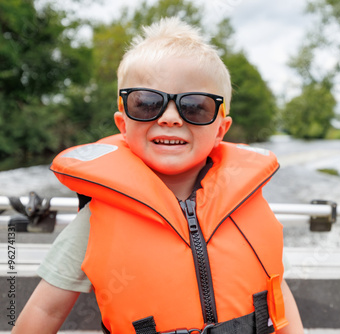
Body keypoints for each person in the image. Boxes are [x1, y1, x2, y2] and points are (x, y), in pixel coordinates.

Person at [12, 17, 303, 334]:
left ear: (221, 129)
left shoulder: (245, 202)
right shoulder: (95, 221)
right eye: (148, 103)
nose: (170, 118)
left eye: (195, 107)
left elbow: (277, 292)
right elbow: (45, 310)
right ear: (123, 124)